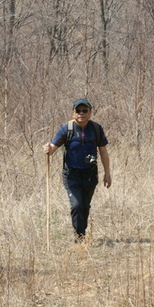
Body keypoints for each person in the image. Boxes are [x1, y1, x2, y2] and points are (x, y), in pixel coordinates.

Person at [44, 98, 111, 241]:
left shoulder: (96, 129)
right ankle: (79, 236)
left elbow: (103, 151)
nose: (81, 113)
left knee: (85, 206)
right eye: (78, 110)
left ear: (90, 113)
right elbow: (52, 149)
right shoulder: (66, 129)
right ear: (73, 112)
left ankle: (82, 232)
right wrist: (48, 149)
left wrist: (107, 173)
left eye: (84, 110)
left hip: (90, 174)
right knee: (76, 204)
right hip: (71, 175)